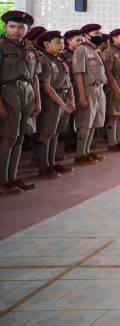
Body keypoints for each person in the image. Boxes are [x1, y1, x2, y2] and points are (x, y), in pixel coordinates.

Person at [0, 11, 41, 195]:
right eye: (12, 26)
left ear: (27, 29)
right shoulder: (2, 46)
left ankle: (13, 177)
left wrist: (38, 100)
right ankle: (3, 181)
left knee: (20, 136)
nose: (16, 30)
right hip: (8, 92)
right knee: (7, 137)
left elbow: (35, 76)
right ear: (5, 27)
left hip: (28, 92)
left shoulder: (31, 49)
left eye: (21, 27)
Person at [34, 30, 75, 179]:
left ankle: (52, 163)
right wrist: (62, 104)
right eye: (57, 43)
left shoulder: (60, 59)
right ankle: (44, 167)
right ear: (46, 44)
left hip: (63, 98)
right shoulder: (44, 60)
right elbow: (46, 86)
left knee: (55, 132)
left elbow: (68, 82)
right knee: (46, 133)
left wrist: (71, 99)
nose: (61, 45)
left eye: (62, 43)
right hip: (51, 100)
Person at [72, 23, 107, 166]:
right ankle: (80, 154)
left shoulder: (95, 50)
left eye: (99, 33)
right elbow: (78, 73)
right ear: (86, 36)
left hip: (99, 88)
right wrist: (81, 95)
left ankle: (86, 151)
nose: (99, 36)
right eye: (96, 33)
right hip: (88, 89)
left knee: (93, 123)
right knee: (85, 122)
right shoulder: (81, 50)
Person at [61, 29, 83, 154]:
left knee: (79, 114)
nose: (80, 42)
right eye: (77, 40)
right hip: (69, 88)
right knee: (68, 116)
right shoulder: (63, 55)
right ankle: (68, 142)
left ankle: (76, 138)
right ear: (68, 41)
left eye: (81, 40)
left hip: (80, 87)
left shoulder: (81, 53)